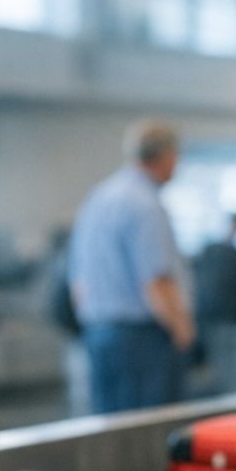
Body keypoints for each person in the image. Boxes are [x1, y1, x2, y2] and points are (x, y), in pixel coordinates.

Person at [68, 119, 196, 413]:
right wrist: (182, 330)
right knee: (148, 437)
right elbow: (157, 281)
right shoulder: (145, 205)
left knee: (110, 434)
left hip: (99, 335)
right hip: (142, 342)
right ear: (166, 156)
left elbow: (78, 283)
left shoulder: (98, 198)